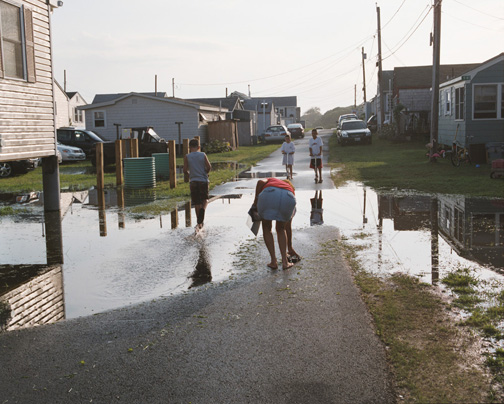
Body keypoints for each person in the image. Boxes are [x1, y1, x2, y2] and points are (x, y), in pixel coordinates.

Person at [251, 178, 299, 270]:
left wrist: (256, 201)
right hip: (288, 197)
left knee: (267, 227)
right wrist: (290, 247)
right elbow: (288, 227)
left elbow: (260, 182)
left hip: (269, 194)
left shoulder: (271, 180)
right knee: (281, 229)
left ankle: (274, 261)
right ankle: (285, 262)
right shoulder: (290, 189)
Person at [183, 138, 212, 230]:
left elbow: (185, 170)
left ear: (189, 147)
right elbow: (209, 166)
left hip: (193, 181)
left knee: (196, 202)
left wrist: (189, 175)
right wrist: (206, 172)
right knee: (205, 199)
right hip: (203, 180)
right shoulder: (203, 155)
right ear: (199, 147)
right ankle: (203, 209)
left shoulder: (187, 156)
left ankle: (199, 223)